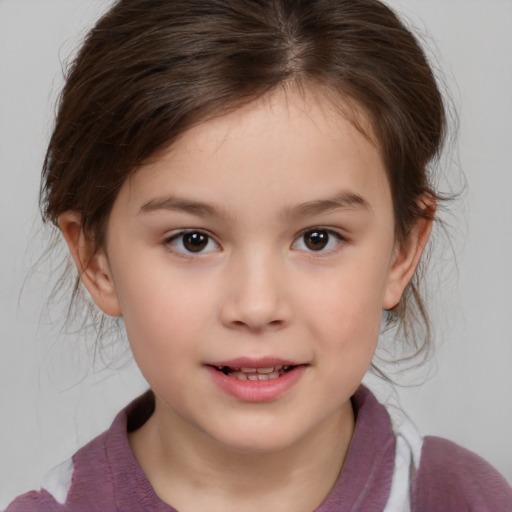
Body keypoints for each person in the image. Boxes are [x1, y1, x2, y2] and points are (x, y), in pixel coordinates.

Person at [6, 0, 512, 510]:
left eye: (318, 238)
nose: (256, 306)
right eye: (193, 240)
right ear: (96, 259)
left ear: (402, 251)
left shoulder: (465, 498)